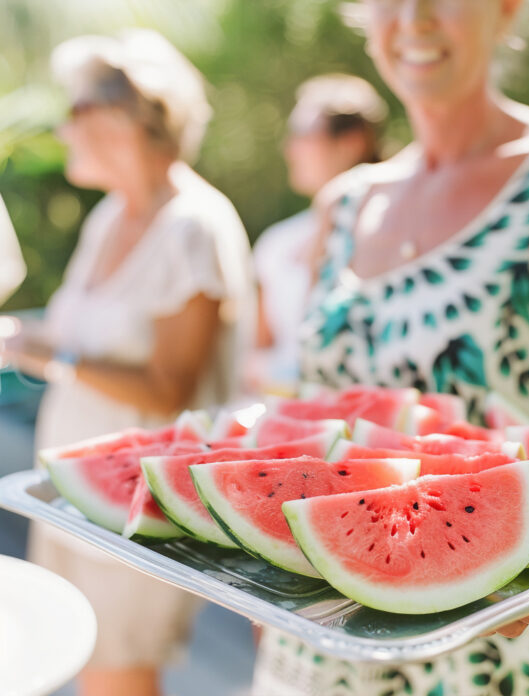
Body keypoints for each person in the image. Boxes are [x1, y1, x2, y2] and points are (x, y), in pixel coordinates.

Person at [252, 1, 529, 695]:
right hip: (321, 639)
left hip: (500, 639)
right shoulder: (343, 204)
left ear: (506, 9)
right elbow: (317, 416)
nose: (414, 18)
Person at [1, 30, 255, 696]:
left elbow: (171, 388)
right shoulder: (109, 217)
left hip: (141, 510)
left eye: (73, 109)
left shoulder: (193, 226)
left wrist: (41, 351)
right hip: (71, 493)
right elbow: (63, 338)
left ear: (122, 115)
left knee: (117, 680)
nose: (62, 126)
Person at [253, 74, 387, 389]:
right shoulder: (276, 242)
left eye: (302, 134)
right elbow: (260, 347)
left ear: (351, 143)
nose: (289, 149)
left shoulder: (387, 239)